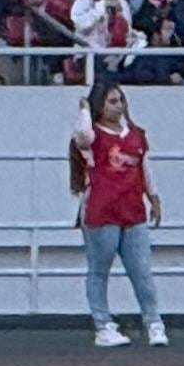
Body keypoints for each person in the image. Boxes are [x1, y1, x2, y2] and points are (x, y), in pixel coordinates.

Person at [71, 81, 167, 349]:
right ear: (99, 105)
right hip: (102, 210)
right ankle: (103, 324)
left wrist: (154, 197)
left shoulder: (136, 134)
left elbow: (145, 169)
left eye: (120, 100)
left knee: (142, 271)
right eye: (111, 101)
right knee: (99, 270)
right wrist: (84, 111)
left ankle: (154, 322)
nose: (118, 106)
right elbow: (81, 135)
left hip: (132, 210)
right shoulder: (92, 138)